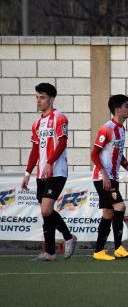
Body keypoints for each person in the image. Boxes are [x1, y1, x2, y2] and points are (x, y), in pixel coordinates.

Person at [21, 82, 77, 261]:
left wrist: (50, 162)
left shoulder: (60, 117)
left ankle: (69, 237)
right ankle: (50, 252)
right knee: (47, 213)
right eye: (37, 97)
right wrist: (27, 173)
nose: (39, 100)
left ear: (51, 99)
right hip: (41, 174)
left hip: (57, 171)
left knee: (46, 210)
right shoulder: (37, 123)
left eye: (42, 97)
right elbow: (35, 150)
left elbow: (62, 142)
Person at [91, 94, 128, 261]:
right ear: (118, 110)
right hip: (103, 177)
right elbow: (94, 154)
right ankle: (118, 247)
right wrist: (104, 174)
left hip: (112, 177)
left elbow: (119, 154)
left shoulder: (121, 129)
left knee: (108, 213)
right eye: (127, 106)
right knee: (120, 207)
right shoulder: (107, 128)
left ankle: (98, 250)